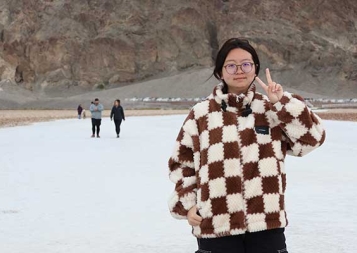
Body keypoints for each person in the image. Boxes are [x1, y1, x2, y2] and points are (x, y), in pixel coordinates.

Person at [167, 38, 326, 253]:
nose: (239, 70)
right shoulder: (201, 114)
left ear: (256, 68)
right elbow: (182, 163)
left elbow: (311, 140)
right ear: (220, 72)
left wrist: (282, 103)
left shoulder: (271, 108)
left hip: (266, 225)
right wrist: (188, 204)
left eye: (246, 64)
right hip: (215, 224)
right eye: (231, 65)